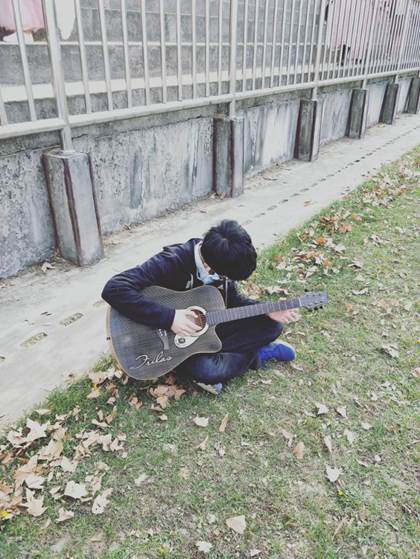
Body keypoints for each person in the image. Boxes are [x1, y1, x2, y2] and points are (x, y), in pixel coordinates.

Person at [102, 220, 297, 394]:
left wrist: (266, 309)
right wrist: (170, 318)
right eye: (226, 277)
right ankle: (255, 356)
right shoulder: (172, 261)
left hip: (207, 329)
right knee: (207, 369)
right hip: (169, 343)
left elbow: (234, 302)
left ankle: (224, 356)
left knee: (272, 326)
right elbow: (114, 288)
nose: (226, 280)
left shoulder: (221, 261)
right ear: (211, 267)